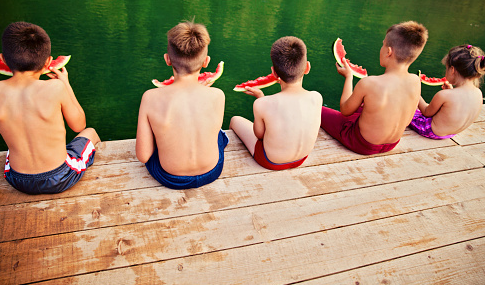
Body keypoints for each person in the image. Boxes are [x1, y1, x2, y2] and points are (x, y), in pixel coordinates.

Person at [0, 22, 100, 194]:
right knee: (90, 132)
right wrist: (66, 84)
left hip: (16, 178)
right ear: (48, 62)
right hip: (60, 177)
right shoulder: (55, 88)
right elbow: (79, 125)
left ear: (3, 59)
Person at [135, 21, 227, 189]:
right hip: (212, 172)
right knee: (220, 135)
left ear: (167, 59)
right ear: (206, 62)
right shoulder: (218, 95)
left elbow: (143, 156)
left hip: (170, 178)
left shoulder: (150, 97)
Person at [321, 21, 428, 155]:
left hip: (362, 144)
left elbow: (345, 110)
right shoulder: (415, 81)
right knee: (366, 107)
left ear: (388, 52)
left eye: (383, 45)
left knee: (318, 109)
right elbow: (406, 120)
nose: (381, 48)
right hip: (392, 144)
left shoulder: (369, 83)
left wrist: (349, 77)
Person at [229, 36, 322, 170]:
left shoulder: (262, 104)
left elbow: (259, 135)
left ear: (273, 72)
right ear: (307, 67)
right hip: (301, 158)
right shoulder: (316, 97)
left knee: (235, 120)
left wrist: (260, 99)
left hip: (271, 162)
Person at [409, 45, 485, 139]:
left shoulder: (444, 95)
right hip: (451, 133)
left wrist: (416, 94)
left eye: (446, 68)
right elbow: (459, 106)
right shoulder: (478, 93)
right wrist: (451, 91)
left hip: (431, 131)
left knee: (407, 108)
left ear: (452, 70)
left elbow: (426, 112)